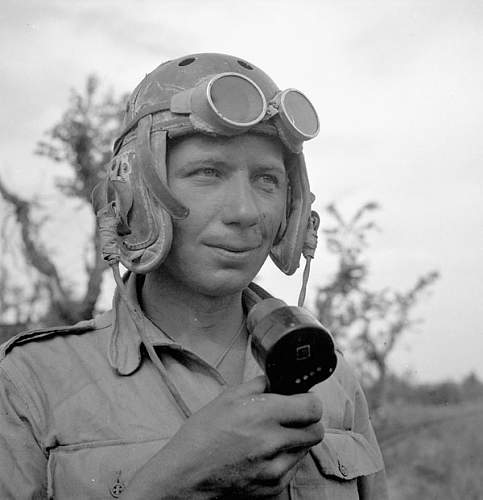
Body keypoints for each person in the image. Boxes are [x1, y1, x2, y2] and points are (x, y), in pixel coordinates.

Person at [0, 53, 387, 499]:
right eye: (208, 173)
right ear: (135, 197)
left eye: (266, 180)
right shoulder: (29, 383)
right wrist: (175, 479)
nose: (245, 212)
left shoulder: (330, 376)